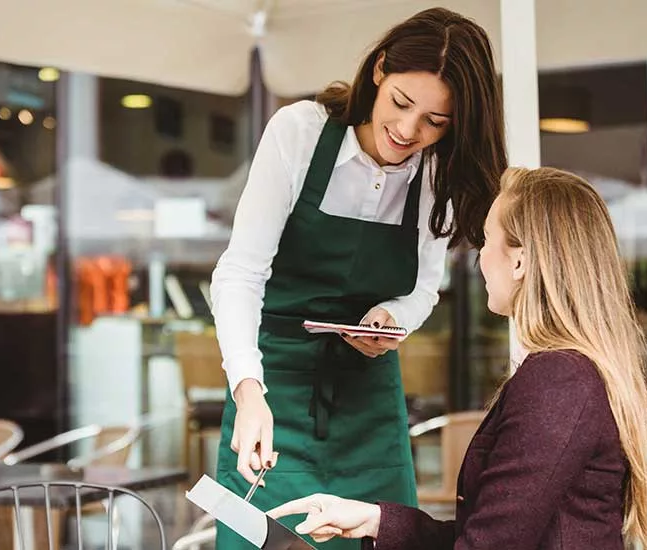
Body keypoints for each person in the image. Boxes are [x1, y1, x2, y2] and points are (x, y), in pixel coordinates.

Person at [209, 7, 506, 549]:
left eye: (436, 122)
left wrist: (392, 320)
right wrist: (248, 391)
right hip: (270, 392)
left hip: (369, 402)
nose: (409, 130)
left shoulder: (438, 172)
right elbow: (239, 273)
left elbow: (422, 289)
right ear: (379, 71)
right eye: (401, 102)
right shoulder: (299, 133)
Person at [270, 167, 647, 550]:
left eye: (487, 241)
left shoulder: (559, 379)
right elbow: (487, 533)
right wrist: (374, 520)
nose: (480, 258)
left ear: (520, 261)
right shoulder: (572, 373)